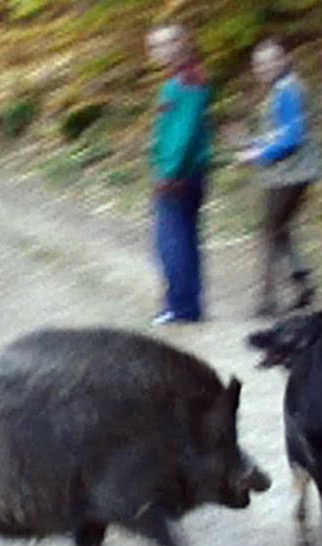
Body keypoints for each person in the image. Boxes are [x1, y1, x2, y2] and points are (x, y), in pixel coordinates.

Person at [234, 39, 321, 317]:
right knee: (278, 229)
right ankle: (301, 280)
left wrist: (258, 155)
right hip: (291, 173)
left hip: (290, 175)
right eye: (260, 63)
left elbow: (293, 138)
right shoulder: (283, 89)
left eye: (272, 60)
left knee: (270, 232)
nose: (265, 67)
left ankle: (268, 301)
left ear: (284, 59)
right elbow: (280, 132)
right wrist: (253, 143)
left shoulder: (288, 90)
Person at [146, 24, 212, 326]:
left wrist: (168, 174)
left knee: (170, 242)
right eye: (155, 46)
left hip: (179, 176)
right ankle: (189, 305)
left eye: (165, 44)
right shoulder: (189, 77)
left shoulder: (184, 82)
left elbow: (182, 135)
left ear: (182, 43)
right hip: (193, 173)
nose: (159, 51)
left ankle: (180, 306)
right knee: (185, 239)